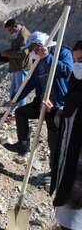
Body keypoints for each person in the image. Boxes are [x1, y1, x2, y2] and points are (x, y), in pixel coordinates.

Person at [4, 32, 73, 160]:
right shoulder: (38, 61)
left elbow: (67, 71)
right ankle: (23, 145)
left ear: (39, 46)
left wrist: (48, 58)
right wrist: (15, 99)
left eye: (31, 48)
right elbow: (30, 83)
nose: (30, 51)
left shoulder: (62, 52)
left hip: (57, 106)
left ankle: (54, 174)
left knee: (53, 141)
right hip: (41, 103)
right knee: (21, 112)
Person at [43, 40, 82, 230]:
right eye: (75, 60)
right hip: (70, 165)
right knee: (67, 213)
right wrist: (55, 111)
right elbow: (70, 121)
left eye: (81, 60)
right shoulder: (76, 91)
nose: (77, 65)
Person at [0, 19, 32, 116]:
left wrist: (7, 53)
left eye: (10, 30)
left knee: (20, 91)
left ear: (16, 26)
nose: (10, 32)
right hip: (16, 66)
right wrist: (6, 52)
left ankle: (21, 113)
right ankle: (11, 111)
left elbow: (23, 52)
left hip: (21, 66)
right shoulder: (18, 34)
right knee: (13, 90)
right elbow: (16, 49)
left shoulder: (23, 34)